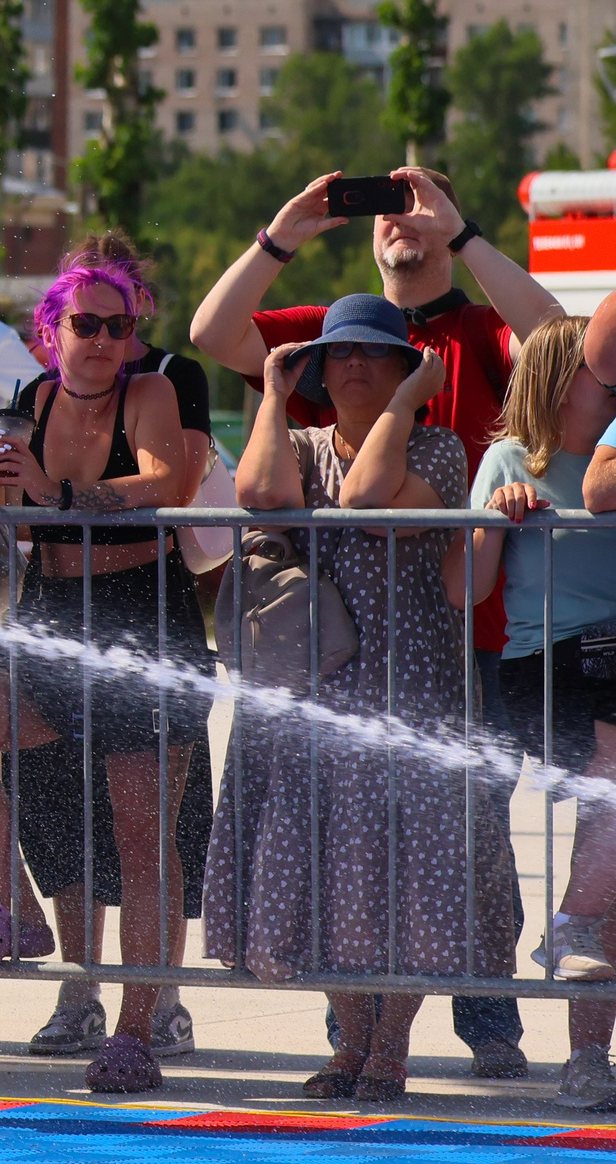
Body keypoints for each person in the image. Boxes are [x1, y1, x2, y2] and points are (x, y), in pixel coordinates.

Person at [193, 168, 562, 1075]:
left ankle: (484, 1025)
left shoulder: (478, 327)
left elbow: (558, 340)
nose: (404, 218)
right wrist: (287, 228)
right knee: (344, 857)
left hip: (453, 646)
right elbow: (214, 336)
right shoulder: (329, 332)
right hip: (328, 666)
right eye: (389, 210)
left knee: (447, 851)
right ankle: (352, 1041)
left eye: (419, 205)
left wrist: (464, 231)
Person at [210, 296, 510, 1103]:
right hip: (311, 694)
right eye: (337, 353)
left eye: (374, 355)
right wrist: (273, 392)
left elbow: (371, 494)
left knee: (409, 876)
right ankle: (348, 1045)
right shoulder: (301, 444)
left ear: (405, 366)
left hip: (409, 694)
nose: (350, 366)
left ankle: (389, 1047)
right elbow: (261, 494)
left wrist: (412, 401)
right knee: (319, 866)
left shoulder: (440, 449)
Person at [0, 261, 193, 1093]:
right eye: (88, 325)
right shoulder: (29, 400)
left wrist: (60, 491)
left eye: (120, 325)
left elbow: (164, 482)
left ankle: (137, 1031)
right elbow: (3, 503)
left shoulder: (151, 393)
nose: (107, 340)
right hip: (49, 620)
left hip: (142, 623)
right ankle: (23, 914)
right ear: (53, 330)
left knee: (143, 845)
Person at [455, 316, 616, 1108]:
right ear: (560, 377)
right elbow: (468, 590)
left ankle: (588, 1058)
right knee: (609, 792)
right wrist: (498, 518)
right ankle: (572, 922)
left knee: (614, 852)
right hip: (546, 666)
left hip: (612, 661)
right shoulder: (508, 459)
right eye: (600, 369)